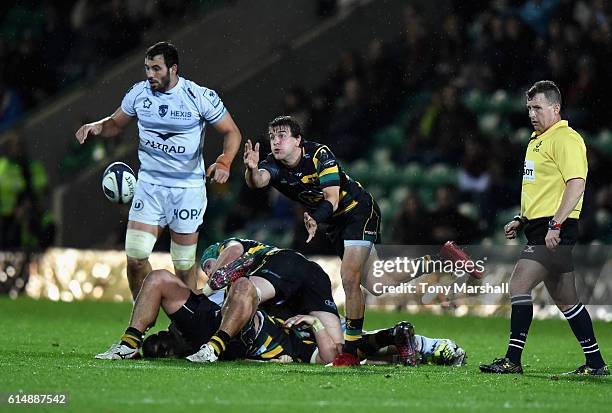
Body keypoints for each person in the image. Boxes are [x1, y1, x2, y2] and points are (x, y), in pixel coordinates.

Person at [243, 116, 474, 366]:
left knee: (349, 277)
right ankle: (441, 258)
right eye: (272, 137)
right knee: (378, 283)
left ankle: (350, 352)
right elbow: (259, 180)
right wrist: (252, 169)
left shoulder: (320, 154)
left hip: (357, 212)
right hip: (335, 225)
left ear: (298, 140)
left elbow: (331, 198)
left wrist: (315, 219)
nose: (276, 142)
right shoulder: (274, 164)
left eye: (282, 136)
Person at [75, 41, 241, 299]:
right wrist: (97, 126)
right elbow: (115, 124)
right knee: (135, 259)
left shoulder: (198, 96)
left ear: (173, 69)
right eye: (147, 68)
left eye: (156, 68)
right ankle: (139, 324)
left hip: (187, 190)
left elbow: (232, 132)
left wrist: (224, 161)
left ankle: (187, 330)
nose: (150, 74)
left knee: (184, 267)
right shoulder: (139, 93)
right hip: (149, 187)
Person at [480, 80, 608, 376]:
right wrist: (521, 219)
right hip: (541, 227)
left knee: (518, 285)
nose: (532, 114)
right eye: (529, 108)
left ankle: (512, 360)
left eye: (538, 108)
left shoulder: (566, 139)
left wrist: (556, 224)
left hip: (554, 229)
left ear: (556, 108)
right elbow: (541, 191)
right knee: (567, 300)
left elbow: (576, 184)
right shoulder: (537, 140)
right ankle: (596, 363)